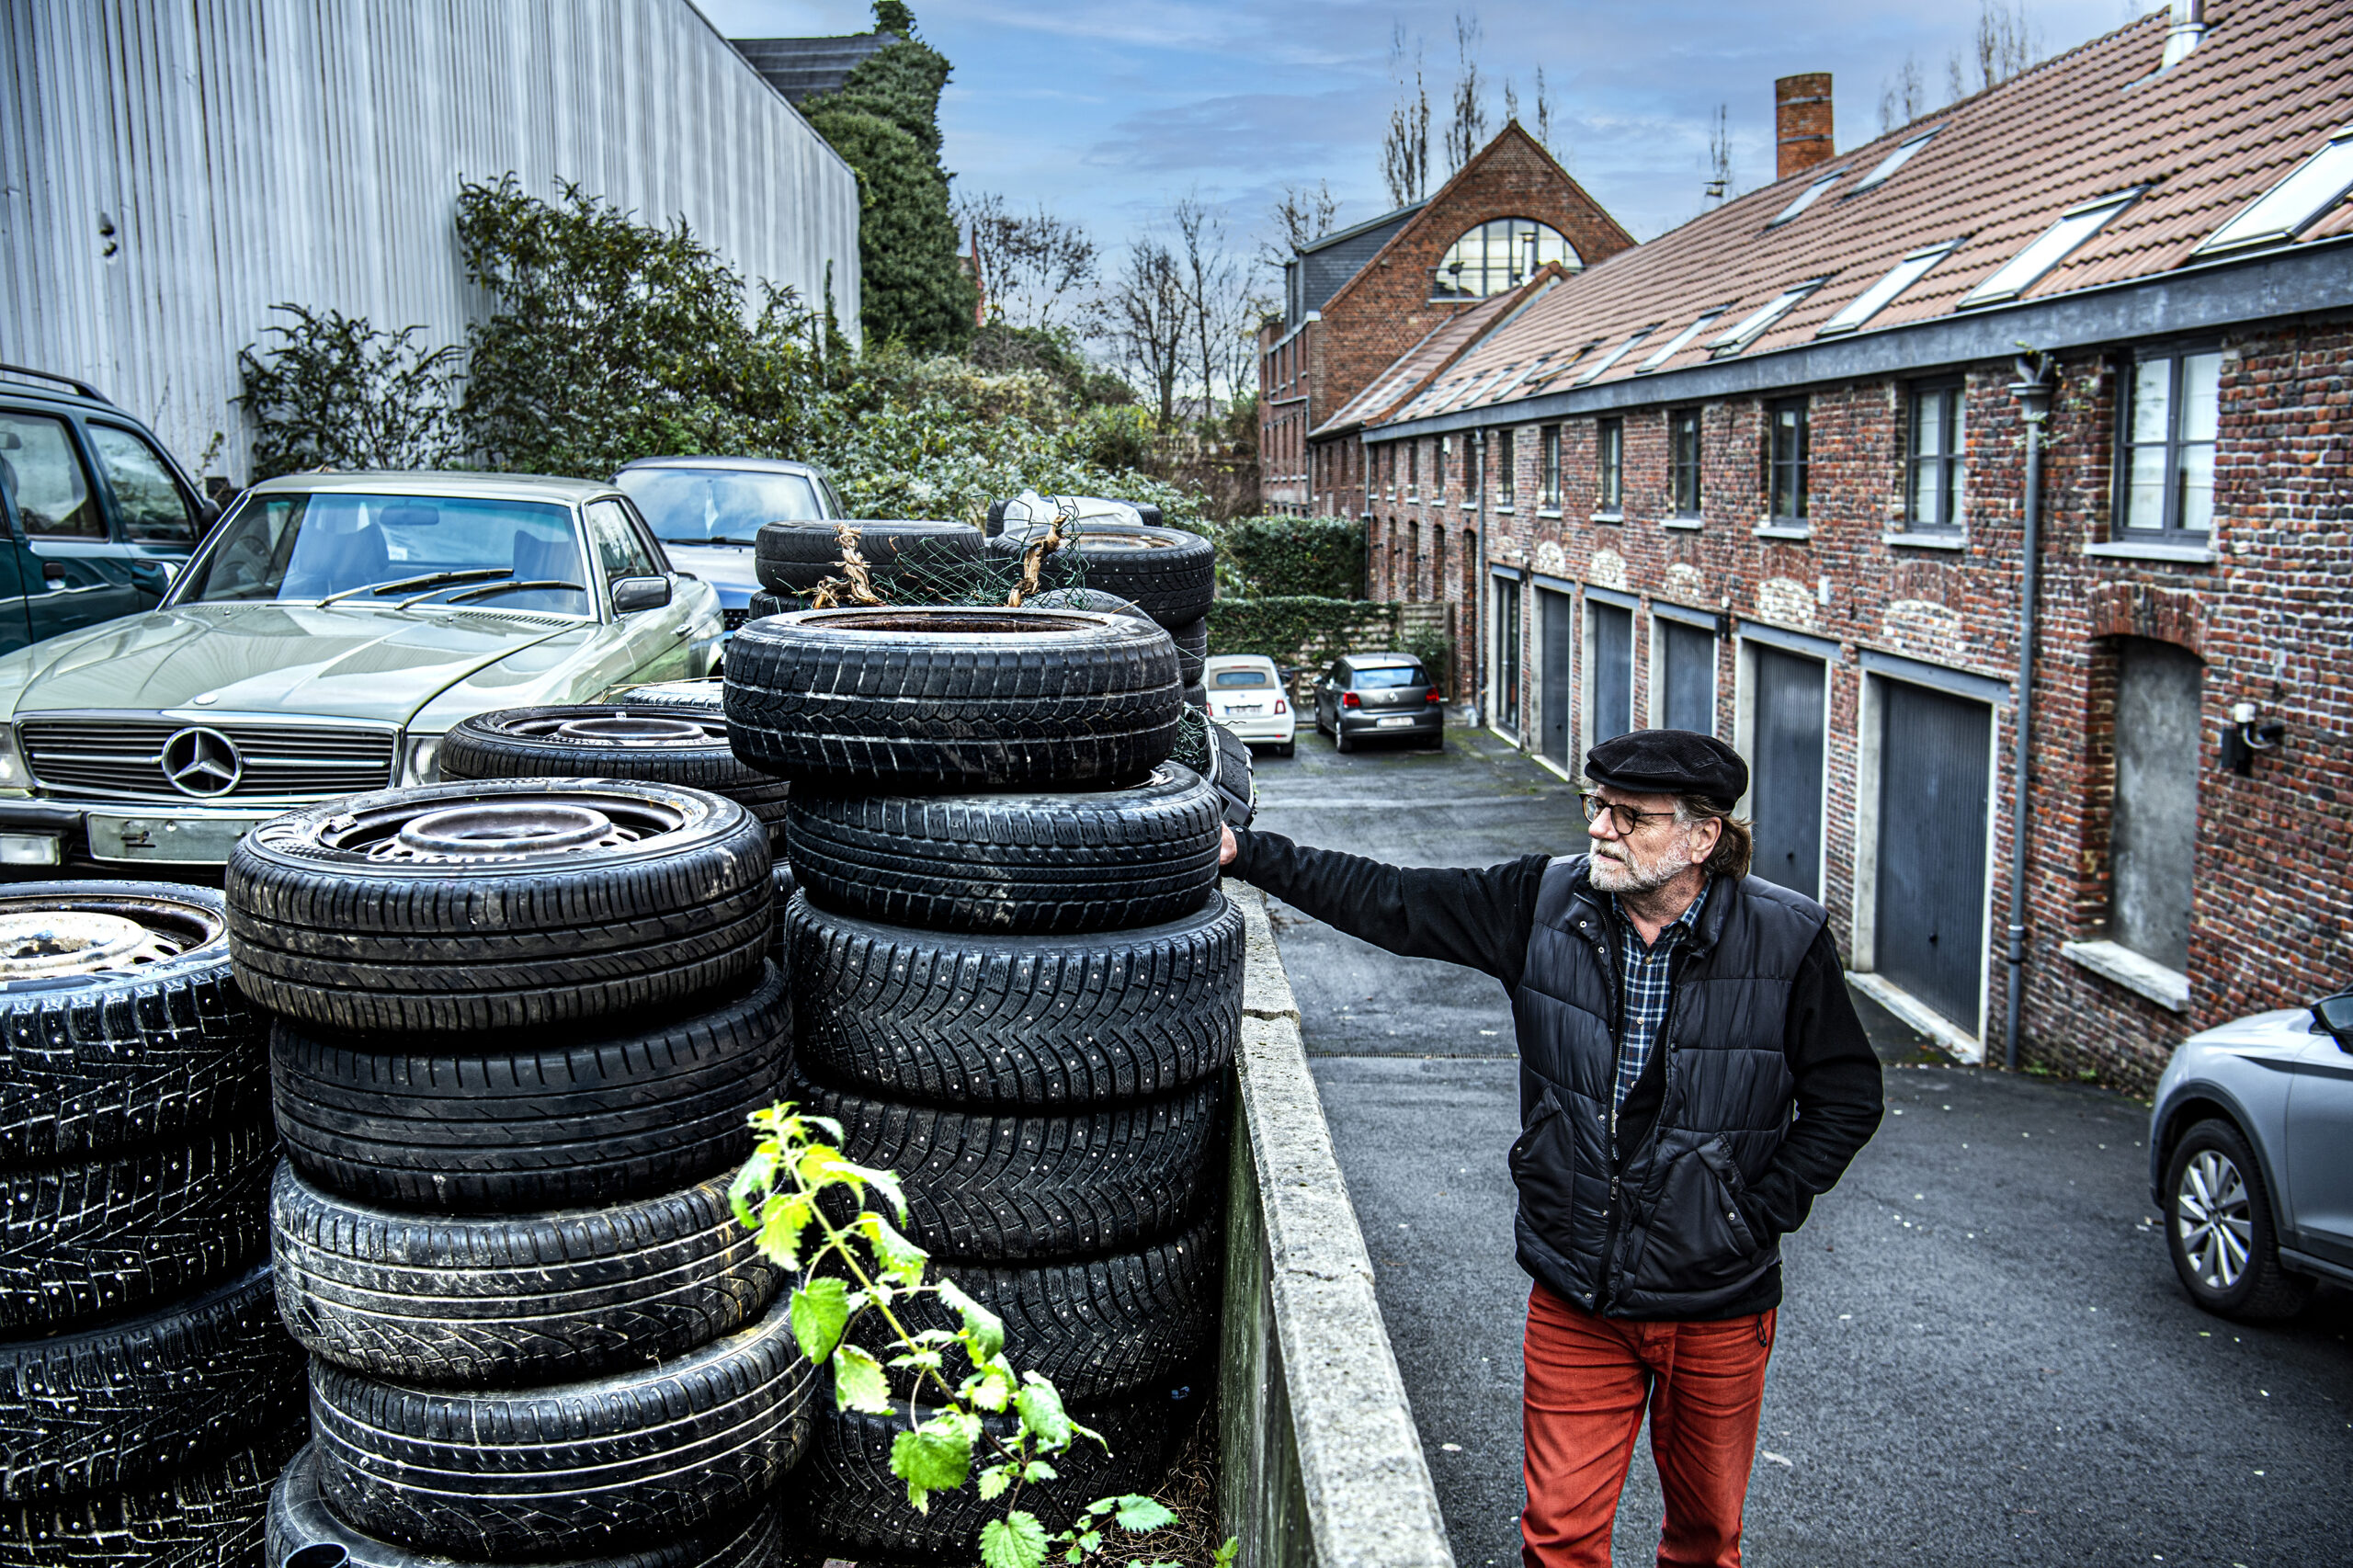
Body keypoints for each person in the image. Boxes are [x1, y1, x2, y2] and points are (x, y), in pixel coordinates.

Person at [1216, 729, 1883, 1568]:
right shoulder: (1542, 902)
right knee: (1559, 1537)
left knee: (1707, 1539)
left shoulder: (1786, 941)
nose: (1600, 828)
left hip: (1716, 1301)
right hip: (1580, 1293)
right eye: (1595, 806)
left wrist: (1754, 1214)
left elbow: (1848, 1096)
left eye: (1629, 816)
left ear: (1701, 837)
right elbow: (1392, 898)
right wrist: (1249, 852)